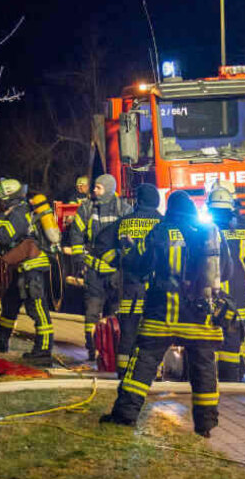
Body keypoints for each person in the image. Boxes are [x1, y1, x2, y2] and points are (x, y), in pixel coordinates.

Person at [101, 190, 231, 437]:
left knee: (142, 366)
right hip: (201, 318)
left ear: (169, 209)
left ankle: (125, 416)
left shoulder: (161, 231)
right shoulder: (211, 233)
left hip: (162, 317)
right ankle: (205, 426)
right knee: (204, 371)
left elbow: (138, 266)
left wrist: (128, 251)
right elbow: (227, 272)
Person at [0, 178, 55, 364]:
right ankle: (0, 339)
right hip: (23, 267)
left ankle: (44, 351)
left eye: (0, 197)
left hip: (32, 268)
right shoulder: (19, 211)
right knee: (10, 302)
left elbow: (6, 237)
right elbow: (15, 242)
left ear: (8, 197)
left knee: (37, 309)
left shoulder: (18, 213)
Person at [66, 173, 131, 361]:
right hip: (93, 269)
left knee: (116, 311)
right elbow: (76, 233)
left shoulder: (124, 209)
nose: (94, 190)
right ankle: (91, 348)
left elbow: (128, 239)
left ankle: (111, 349)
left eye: (98, 188)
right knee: (92, 311)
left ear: (109, 189)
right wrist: (79, 259)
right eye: (94, 187)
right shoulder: (86, 208)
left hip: (115, 271)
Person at [112, 183, 162, 376]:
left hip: (130, 287)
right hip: (155, 288)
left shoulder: (124, 222)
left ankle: (123, 372)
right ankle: (153, 373)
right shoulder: (162, 223)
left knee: (129, 330)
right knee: (152, 332)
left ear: (138, 200)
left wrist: (118, 264)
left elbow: (101, 245)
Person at [207, 181, 245, 382]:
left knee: (216, 332)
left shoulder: (208, 228)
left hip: (217, 291)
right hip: (240, 289)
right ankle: (238, 372)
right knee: (239, 332)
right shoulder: (242, 225)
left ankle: (219, 374)